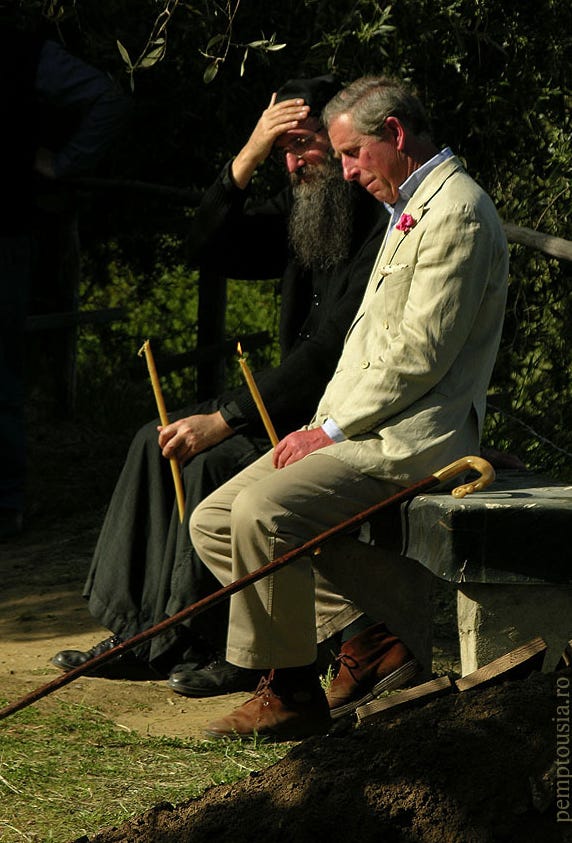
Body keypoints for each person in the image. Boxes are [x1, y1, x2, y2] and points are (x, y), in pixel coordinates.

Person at [189, 75, 510, 740]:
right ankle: (368, 636)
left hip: (417, 437)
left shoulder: (459, 212)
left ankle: (290, 688)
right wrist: (321, 427)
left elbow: (418, 355)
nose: (344, 172)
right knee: (215, 517)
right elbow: (370, 349)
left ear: (393, 134)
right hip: (366, 429)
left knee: (260, 511)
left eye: (351, 155)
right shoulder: (409, 206)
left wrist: (328, 429)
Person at [51, 75, 388, 692]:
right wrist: (247, 155)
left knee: (207, 463)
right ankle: (141, 632)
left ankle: (215, 647)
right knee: (153, 442)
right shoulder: (304, 211)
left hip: (333, 419)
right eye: (281, 151)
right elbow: (205, 246)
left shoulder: (377, 223)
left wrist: (225, 418)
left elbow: (325, 355)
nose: (295, 163)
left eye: (306, 144)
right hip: (282, 407)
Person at [0, 11, 131, 540]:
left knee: (1, 374)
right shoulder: (19, 51)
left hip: (3, 231)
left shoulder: (17, 51)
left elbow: (110, 100)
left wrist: (62, 162)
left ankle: (6, 503)